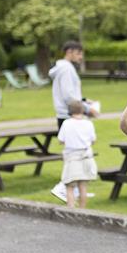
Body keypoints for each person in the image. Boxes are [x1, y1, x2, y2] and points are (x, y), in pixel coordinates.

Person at [48, 41, 100, 202]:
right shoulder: (66, 69)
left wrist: (83, 100)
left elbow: (70, 93)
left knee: (78, 154)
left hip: (68, 113)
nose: (81, 56)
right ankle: (62, 188)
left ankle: (76, 191)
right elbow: (68, 96)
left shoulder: (65, 68)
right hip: (68, 115)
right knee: (75, 155)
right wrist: (86, 109)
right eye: (78, 53)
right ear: (69, 52)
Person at [57, 100, 97, 208]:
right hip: (86, 157)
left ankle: (71, 209)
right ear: (83, 110)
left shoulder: (66, 123)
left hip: (72, 158)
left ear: (69, 111)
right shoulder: (88, 123)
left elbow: (61, 140)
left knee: (69, 186)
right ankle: (82, 210)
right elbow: (93, 140)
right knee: (82, 186)